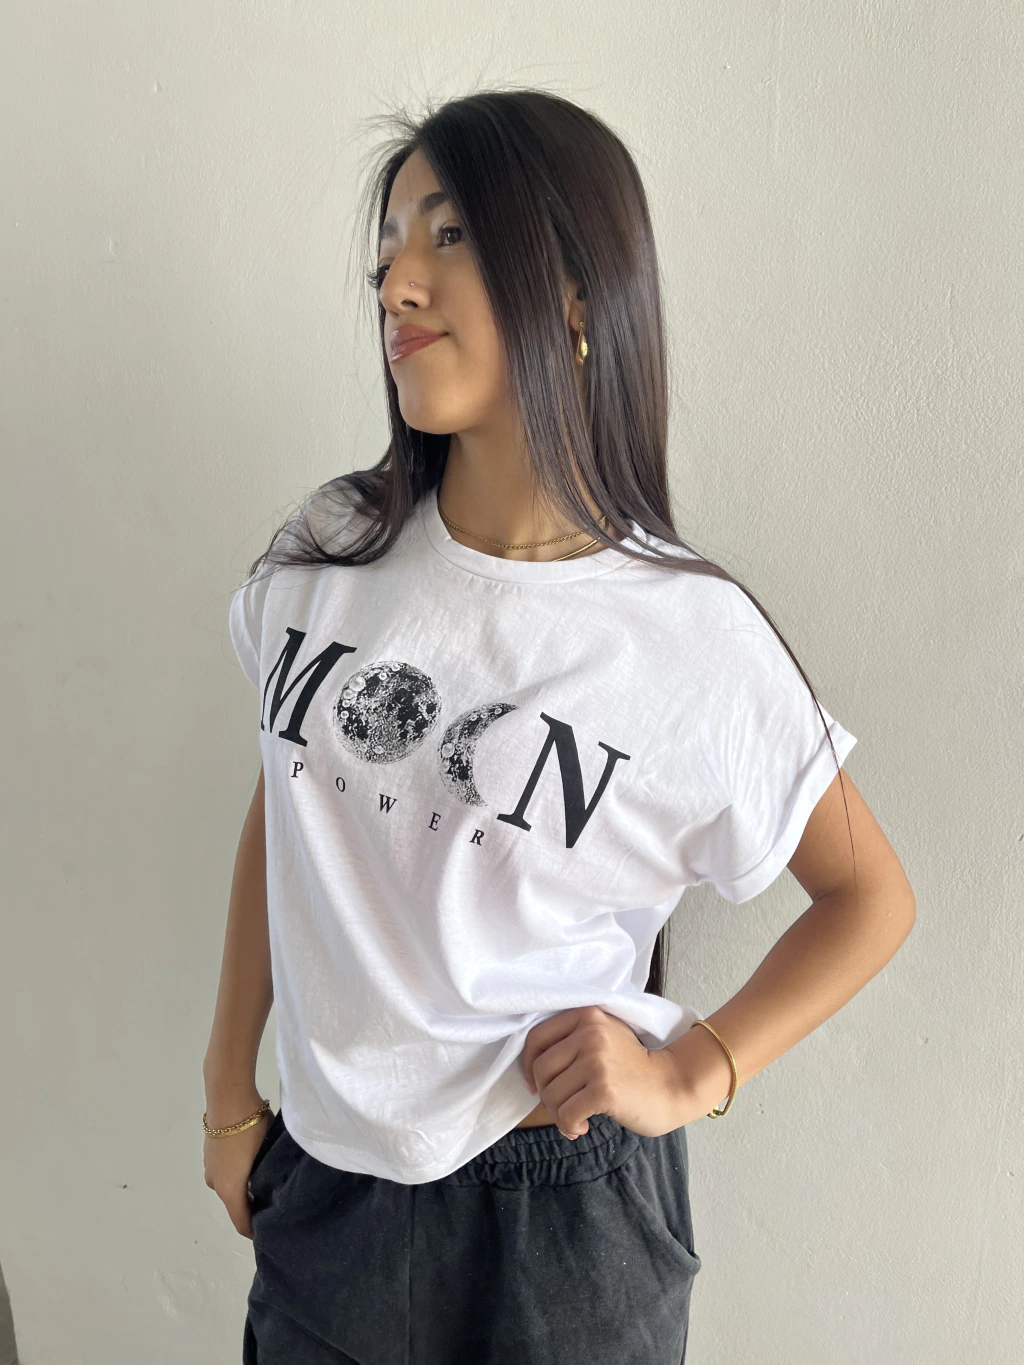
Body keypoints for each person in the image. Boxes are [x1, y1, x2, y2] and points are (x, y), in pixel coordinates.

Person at [202, 88, 917, 1365]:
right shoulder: (330, 550)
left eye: (449, 235)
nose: (397, 285)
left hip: (558, 1213)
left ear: (578, 293)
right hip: (326, 1186)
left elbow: (870, 899)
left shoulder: (687, 639)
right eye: (387, 251)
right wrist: (225, 1093)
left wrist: (693, 1070)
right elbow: (289, 801)